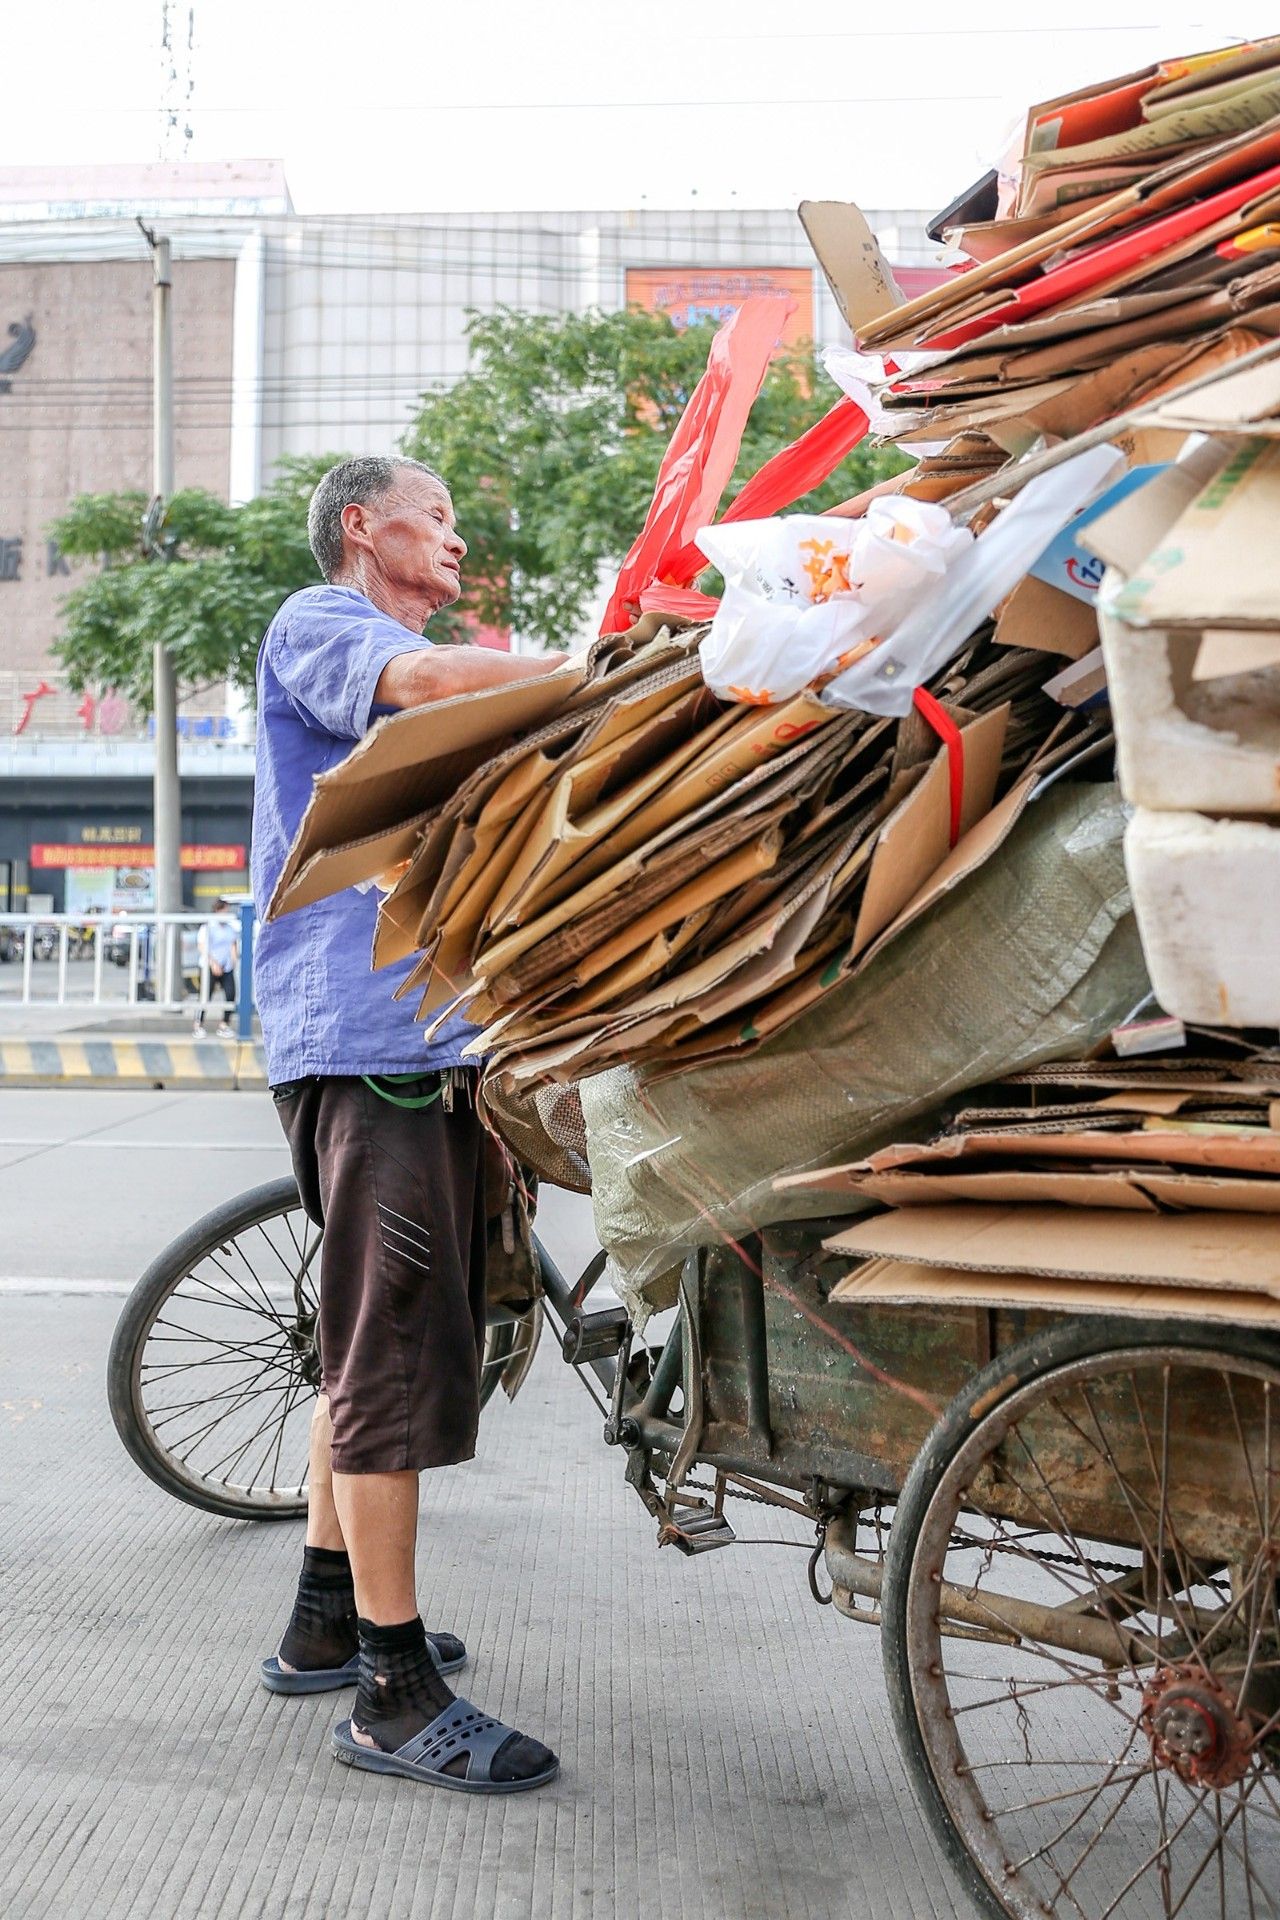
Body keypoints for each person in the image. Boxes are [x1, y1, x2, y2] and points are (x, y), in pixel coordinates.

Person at [251, 455, 563, 1795]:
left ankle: (327, 1619)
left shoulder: (427, 663)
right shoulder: (327, 625)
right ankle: (390, 1692)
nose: (452, 538)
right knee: (385, 1361)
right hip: (372, 1043)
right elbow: (437, 684)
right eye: (433, 516)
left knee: (358, 1344)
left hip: (425, 1045)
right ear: (361, 527)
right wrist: (602, 658)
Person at [193, 897, 238, 1036]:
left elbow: (233, 945)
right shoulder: (208, 927)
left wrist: (233, 961)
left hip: (226, 967)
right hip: (209, 965)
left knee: (231, 994)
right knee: (205, 995)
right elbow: (202, 946)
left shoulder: (230, 928)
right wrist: (213, 963)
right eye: (224, 911)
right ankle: (198, 1025)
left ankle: (224, 1025)